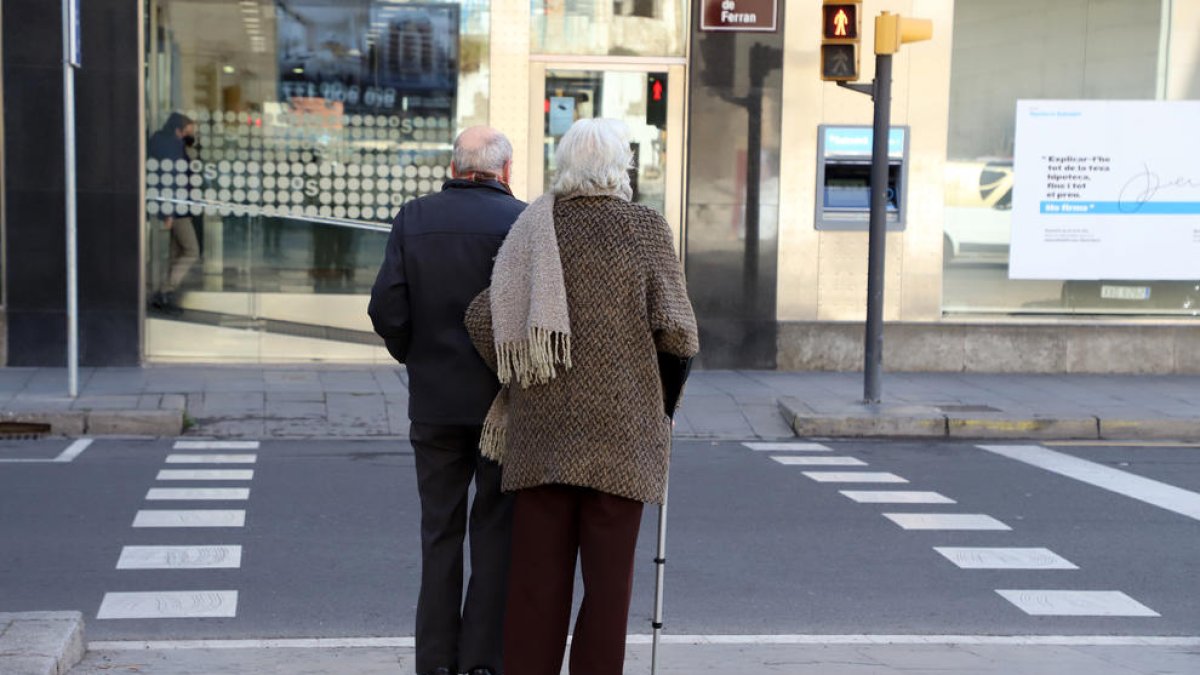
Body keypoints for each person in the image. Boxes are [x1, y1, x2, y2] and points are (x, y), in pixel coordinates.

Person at [464, 118, 700, 675]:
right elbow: (679, 332)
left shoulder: (533, 227)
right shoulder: (644, 228)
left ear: (562, 164)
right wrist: (659, 399)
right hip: (622, 439)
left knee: (535, 589)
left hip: (541, 434)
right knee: (608, 590)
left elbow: (482, 316)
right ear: (622, 167)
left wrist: (522, 365)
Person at [368, 126, 525, 675]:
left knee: (439, 532)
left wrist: (418, 356)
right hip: (502, 406)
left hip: (433, 403)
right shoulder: (522, 222)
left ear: (456, 167)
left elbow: (386, 309)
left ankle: (435, 662)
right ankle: (483, 661)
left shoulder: (414, 218)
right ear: (504, 170)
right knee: (495, 530)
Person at [148, 112, 200, 315]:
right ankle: (165, 291)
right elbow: (170, 177)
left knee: (177, 252)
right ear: (178, 130)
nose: (190, 135)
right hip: (176, 208)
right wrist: (169, 211)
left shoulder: (161, 141)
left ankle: (165, 295)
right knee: (191, 250)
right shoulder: (171, 145)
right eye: (188, 132)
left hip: (176, 205)